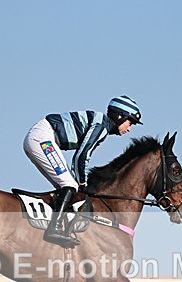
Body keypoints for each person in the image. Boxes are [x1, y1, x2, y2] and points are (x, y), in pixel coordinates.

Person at [23, 96, 142, 246]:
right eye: (130, 123)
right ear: (120, 116)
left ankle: (55, 226)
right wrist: (83, 184)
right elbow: (81, 156)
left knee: (66, 187)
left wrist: (81, 184)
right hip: (42, 138)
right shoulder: (101, 126)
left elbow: (80, 158)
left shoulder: (102, 124)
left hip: (40, 137)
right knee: (70, 185)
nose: (129, 128)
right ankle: (54, 228)